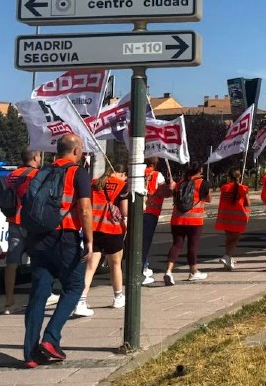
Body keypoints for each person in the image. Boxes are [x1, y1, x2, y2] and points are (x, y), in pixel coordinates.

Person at [22, 134, 93, 368]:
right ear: (75, 151)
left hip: (38, 237)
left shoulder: (42, 171)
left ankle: (31, 354)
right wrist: (90, 240)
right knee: (74, 286)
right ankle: (51, 338)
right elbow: (85, 209)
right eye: (81, 149)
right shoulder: (78, 172)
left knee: (39, 294)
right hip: (64, 237)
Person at [74, 164, 127, 317]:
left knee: (90, 267)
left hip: (94, 228)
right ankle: (118, 297)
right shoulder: (122, 186)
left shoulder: (94, 184)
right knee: (115, 265)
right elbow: (124, 211)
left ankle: (81, 301)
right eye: (125, 176)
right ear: (121, 173)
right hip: (113, 229)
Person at [3, 150, 42, 314]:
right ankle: (40, 296)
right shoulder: (37, 175)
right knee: (39, 260)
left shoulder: (11, 175)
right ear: (35, 157)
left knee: (12, 261)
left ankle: (9, 301)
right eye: (39, 156)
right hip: (31, 221)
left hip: (14, 221)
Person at [164, 162, 209, 285]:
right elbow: (208, 199)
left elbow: (175, 198)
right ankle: (193, 271)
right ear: (200, 170)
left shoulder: (179, 184)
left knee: (176, 245)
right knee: (192, 246)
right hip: (194, 220)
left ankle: (169, 271)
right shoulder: (203, 183)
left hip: (177, 219)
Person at [215, 167, 251, 271]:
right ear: (239, 177)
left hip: (226, 216)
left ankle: (228, 260)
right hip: (238, 217)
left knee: (229, 238)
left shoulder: (224, 187)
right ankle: (227, 256)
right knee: (234, 239)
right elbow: (248, 203)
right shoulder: (243, 188)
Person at [140, 157, 169, 285]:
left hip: (137, 212)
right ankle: (141, 271)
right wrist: (171, 187)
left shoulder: (137, 173)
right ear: (155, 163)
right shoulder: (157, 175)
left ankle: (145, 266)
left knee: (138, 241)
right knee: (145, 242)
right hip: (151, 212)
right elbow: (165, 192)